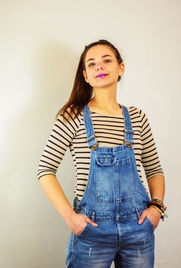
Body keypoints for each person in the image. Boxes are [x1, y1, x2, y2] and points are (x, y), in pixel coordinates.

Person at [37, 39, 166, 268]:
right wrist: (70, 218)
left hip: (138, 229)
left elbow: (154, 169)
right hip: (91, 230)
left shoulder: (137, 117)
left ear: (121, 68)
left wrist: (156, 208)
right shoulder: (72, 116)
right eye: (92, 63)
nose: (100, 66)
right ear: (85, 76)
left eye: (107, 60)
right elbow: (45, 170)